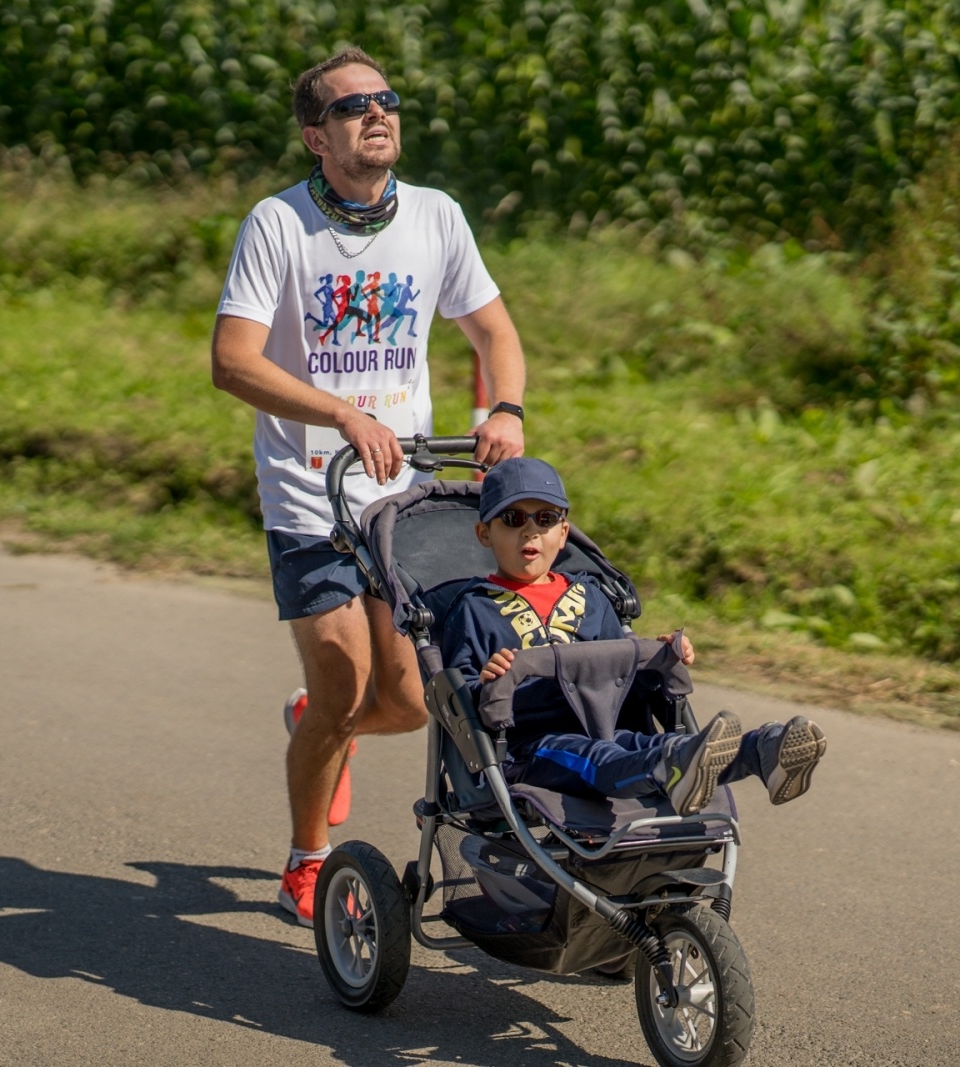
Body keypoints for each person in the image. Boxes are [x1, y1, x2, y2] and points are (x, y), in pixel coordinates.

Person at [211, 47, 528, 927]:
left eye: (385, 101)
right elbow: (232, 364)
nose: (377, 115)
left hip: (404, 497)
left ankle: (318, 724)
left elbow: (493, 331)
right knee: (349, 685)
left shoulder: (436, 216)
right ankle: (305, 863)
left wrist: (506, 406)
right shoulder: (277, 225)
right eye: (354, 108)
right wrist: (344, 415)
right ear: (318, 137)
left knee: (413, 698)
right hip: (310, 491)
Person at [441, 458, 829, 813]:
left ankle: (763, 751)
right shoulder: (474, 607)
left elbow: (621, 672)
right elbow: (457, 698)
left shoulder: (590, 596)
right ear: (483, 533)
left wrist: (657, 659)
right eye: (512, 519)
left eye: (545, 518)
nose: (530, 530)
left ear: (563, 534)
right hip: (533, 747)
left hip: (608, 725)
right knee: (596, 757)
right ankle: (671, 771)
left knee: (653, 746)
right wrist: (489, 679)